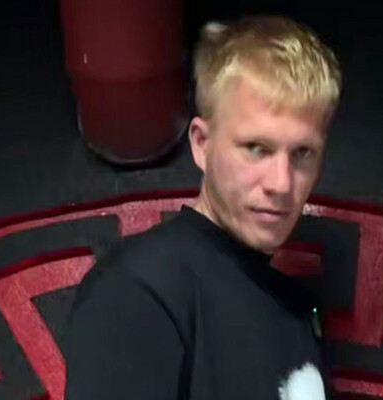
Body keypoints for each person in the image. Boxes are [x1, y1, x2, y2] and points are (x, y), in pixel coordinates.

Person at [64, 15, 342, 400]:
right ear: (201, 144)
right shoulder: (140, 288)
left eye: (302, 153)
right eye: (256, 148)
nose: (281, 183)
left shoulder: (295, 311)